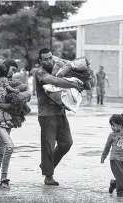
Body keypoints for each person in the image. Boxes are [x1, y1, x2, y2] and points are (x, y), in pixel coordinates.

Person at [35, 48, 84, 186]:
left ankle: (46, 166)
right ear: (40, 61)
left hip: (61, 113)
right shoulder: (39, 72)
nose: (49, 61)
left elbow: (73, 69)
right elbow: (54, 81)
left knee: (66, 143)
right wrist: (74, 84)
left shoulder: (59, 69)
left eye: (51, 57)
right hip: (46, 115)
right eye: (45, 59)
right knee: (48, 146)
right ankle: (48, 176)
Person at [0, 59, 20, 190]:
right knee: (10, 147)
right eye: (12, 70)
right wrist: (9, 105)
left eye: (15, 71)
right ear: (6, 68)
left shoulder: (9, 83)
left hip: (8, 120)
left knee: (0, 150)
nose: (13, 73)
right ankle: (4, 179)